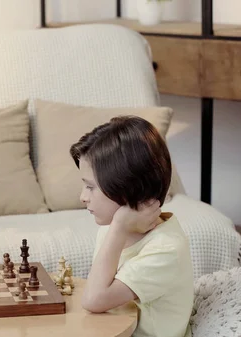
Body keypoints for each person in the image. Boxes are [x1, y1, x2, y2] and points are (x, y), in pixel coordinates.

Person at [70, 116, 193, 337]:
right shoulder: (112, 231)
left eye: (91, 187)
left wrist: (118, 227)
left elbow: (93, 300)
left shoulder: (165, 250)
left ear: (128, 188)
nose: (82, 197)